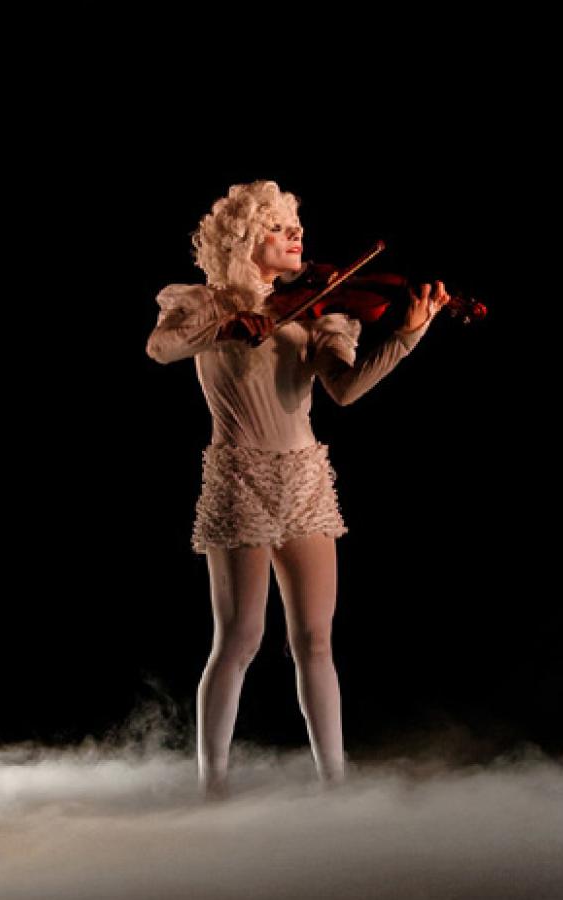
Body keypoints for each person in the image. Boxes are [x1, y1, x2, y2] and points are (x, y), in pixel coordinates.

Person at [146, 180, 448, 798]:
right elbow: (160, 348)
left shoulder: (317, 309)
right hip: (239, 476)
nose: (297, 236)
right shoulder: (204, 304)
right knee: (240, 639)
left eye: (295, 227)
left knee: (315, 639)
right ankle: (212, 786)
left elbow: (345, 389)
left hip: (303, 478)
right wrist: (226, 328)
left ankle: (334, 785)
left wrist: (406, 336)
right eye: (281, 228)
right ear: (244, 238)